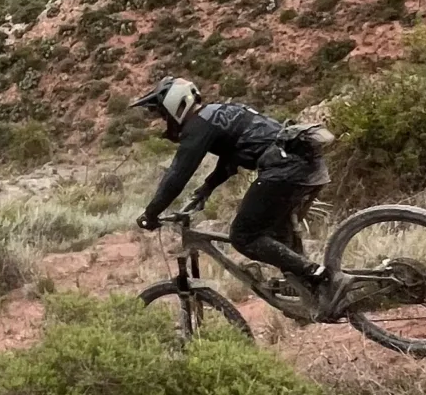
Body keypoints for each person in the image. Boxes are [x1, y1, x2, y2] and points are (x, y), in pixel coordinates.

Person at [133, 77, 331, 286]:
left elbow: (177, 174)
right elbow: (233, 156)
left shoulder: (198, 126)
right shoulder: (220, 111)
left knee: (244, 236)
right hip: (308, 166)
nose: (165, 121)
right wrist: (206, 188)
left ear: (175, 105)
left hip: (285, 171)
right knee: (277, 236)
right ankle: (316, 294)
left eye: (163, 114)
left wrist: (151, 213)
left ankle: (317, 274)